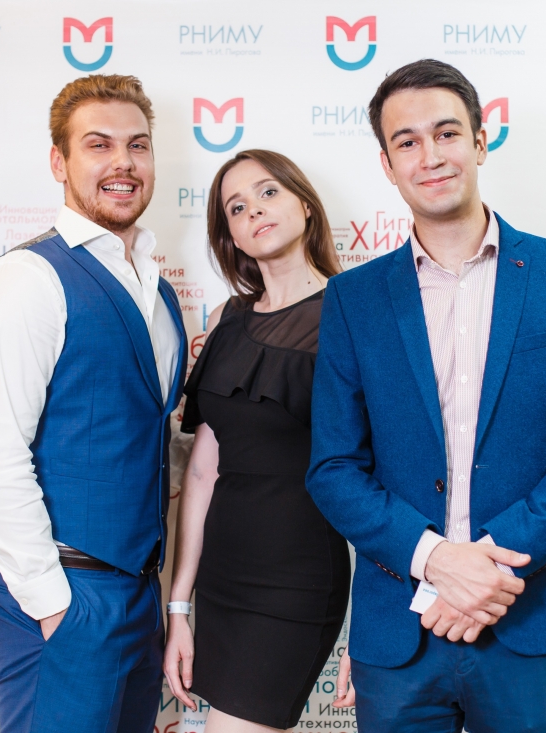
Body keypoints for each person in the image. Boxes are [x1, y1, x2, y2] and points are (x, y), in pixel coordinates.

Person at [307, 59, 546, 732]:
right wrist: (436, 561)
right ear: (388, 164)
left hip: (526, 621)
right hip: (400, 635)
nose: (430, 156)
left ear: (480, 141)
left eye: (447, 133)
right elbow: (334, 468)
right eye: (408, 141)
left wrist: (485, 569)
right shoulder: (354, 299)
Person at [0, 75, 186, 733]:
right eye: (98, 145)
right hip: (63, 590)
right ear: (59, 162)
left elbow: (141, 436)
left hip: (138, 594)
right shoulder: (24, 281)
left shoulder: (158, 292)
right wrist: (54, 605)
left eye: (137, 145)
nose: (123, 163)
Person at [163, 150, 351, 732]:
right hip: (222, 580)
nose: (255, 212)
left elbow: (384, 476)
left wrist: (376, 623)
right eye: (236, 208)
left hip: (296, 580)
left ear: (305, 205)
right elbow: (203, 472)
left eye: (268, 193)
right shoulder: (227, 319)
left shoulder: (351, 314)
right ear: (232, 237)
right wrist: (179, 604)